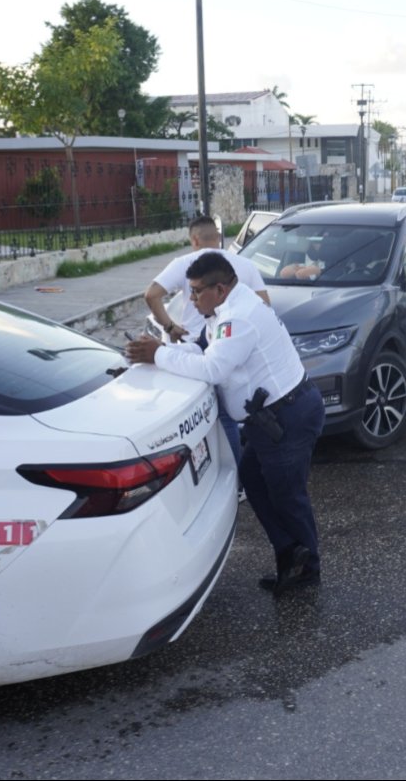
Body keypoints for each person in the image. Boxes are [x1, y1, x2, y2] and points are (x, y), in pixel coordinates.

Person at [126, 252, 325, 594]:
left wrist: (159, 354)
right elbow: (205, 352)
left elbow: (212, 369)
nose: (190, 299)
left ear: (219, 289)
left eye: (195, 291)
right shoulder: (226, 310)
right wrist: (161, 351)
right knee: (252, 479)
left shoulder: (239, 317)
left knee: (288, 496)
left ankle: (307, 569)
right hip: (270, 419)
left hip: (286, 416)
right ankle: (290, 555)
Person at [145, 216, 270, 470]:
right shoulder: (244, 265)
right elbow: (265, 305)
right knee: (228, 414)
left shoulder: (183, 263)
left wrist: (169, 328)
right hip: (226, 349)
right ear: (218, 237)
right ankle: (232, 475)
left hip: (202, 350)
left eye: (196, 292)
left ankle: (226, 474)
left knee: (205, 415)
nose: (193, 298)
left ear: (194, 240)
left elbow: (151, 295)